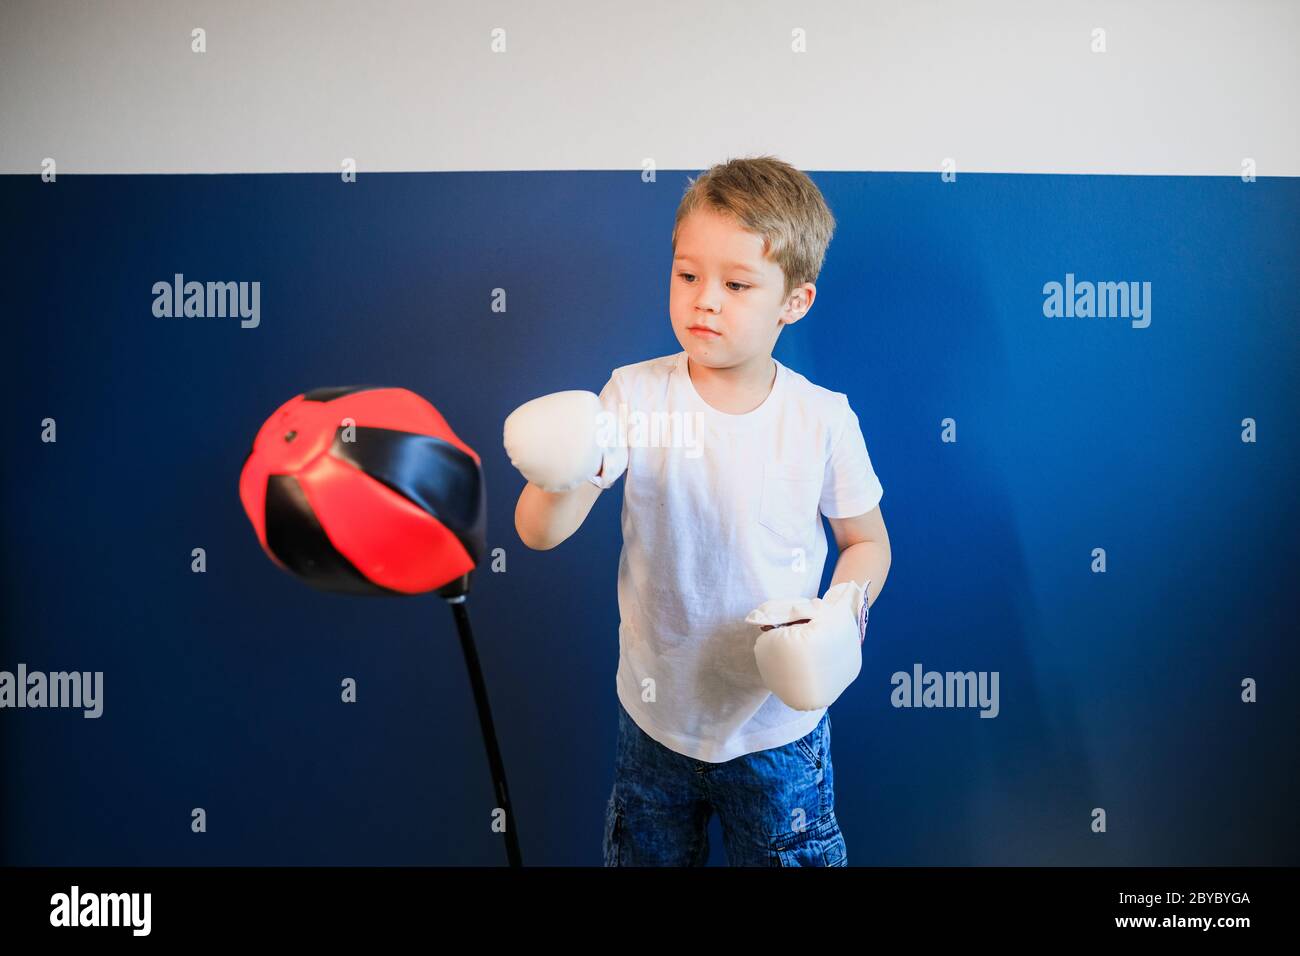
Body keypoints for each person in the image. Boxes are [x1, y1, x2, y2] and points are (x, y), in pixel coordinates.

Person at [503, 156, 891, 866]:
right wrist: (560, 465)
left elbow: (867, 541)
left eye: (737, 284)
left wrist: (842, 612)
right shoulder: (633, 397)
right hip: (654, 721)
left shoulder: (821, 419)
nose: (704, 300)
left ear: (794, 302)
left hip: (777, 728)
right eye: (687, 275)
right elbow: (538, 532)